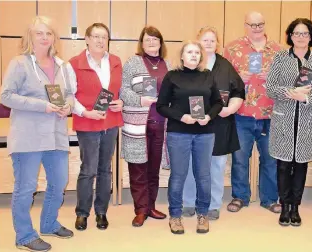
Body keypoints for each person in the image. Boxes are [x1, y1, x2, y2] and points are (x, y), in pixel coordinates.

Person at [0, 16, 74, 252]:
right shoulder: (19, 63)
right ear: (30, 37)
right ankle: (24, 236)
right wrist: (41, 105)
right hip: (28, 136)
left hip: (56, 134)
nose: (44, 38)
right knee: (26, 186)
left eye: (49, 33)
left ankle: (49, 223)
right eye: (39, 33)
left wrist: (68, 107)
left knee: (59, 181)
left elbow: (69, 93)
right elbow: (6, 96)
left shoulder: (61, 66)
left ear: (54, 38)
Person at [266, 18, 312, 227]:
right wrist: (291, 93)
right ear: (290, 36)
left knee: (301, 164)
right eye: (296, 33)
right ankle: (284, 206)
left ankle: (295, 206)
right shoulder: (280, 58)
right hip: (284, 119)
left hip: (308, 119)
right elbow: (270, 87)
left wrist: (305, 98)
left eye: (305, 33)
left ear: (311, 36)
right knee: (284, 165)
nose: (301, 37)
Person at [156, 40, 223, 234]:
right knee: (178, 176)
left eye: (196, 52)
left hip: (204, 133)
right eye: (189, 52)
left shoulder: (207, 76)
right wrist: (181, 117)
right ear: (182, 56)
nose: (193, 55)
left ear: (201, 56)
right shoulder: (172, 76)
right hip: (179, 133)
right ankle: (175, 215)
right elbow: (161, 106)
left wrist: (209, 116)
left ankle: (203, 213)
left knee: (203, 176)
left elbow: (218, 103)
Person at [182, 27, 245, 220]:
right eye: (205, 40)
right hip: (193, 124)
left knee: (216, 167)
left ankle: (213, 204)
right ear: (197, 41)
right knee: (192, 165)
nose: (209, 43)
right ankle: (189, 202)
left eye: (212, 40)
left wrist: (231, 109)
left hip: (219, 124)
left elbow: (238, 91)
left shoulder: (225, 66)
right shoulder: (190, 65)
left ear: (217, 43)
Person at [66, 23, 124, 231]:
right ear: (87, 39)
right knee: (88, 169)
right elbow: (69, 95)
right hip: (88, 121)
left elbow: (120, 90)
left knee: (105, 169)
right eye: (96, 36)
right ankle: (82, 213)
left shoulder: (116, 61)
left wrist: (121, 102)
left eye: (104, 37)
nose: (100, 40)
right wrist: (85, 112)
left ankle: (101, 212)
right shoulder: (74, 63)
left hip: (111, 122)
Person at [223, 11, 282, 214]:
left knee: (271, 159)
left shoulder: (278, 50)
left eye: (260, 24)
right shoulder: (232, 48)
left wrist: (273, 77)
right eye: (253, 25)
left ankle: (270, 199)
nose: (257, 28)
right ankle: (240, 197)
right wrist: (238, 78)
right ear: (245, 25)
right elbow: (222, 81)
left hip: (271, 114)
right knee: (239, 159)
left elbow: (289, 82)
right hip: (242, 113)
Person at [119, 26, 170, 227]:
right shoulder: (133, 62)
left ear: (160, 42)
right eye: (147, 39)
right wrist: (140, 100)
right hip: (138, 124)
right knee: (138, 167)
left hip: (161, 124)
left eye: (155, 39)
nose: (151, 42)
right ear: (142, 42)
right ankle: (140, 209)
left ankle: (150, 206)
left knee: (154, 168)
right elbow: (123, 90)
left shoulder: (168, 64)